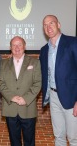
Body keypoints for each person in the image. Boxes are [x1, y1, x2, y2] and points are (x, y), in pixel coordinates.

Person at [39, 15, 77, 146]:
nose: (48, 27)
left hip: (72, 98)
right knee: (58, 136)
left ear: (58, 24)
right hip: (53, 97)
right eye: (45, 25)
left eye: (51, 23)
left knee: (73, 138)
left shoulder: (73, 42)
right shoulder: (44, 50)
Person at [0, 36, 41, 146]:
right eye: (14, 45)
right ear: (10, 47)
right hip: (10, 107)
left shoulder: (35, 62)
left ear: (24, 46)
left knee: (29, 141)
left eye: (20, 44)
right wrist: (11, 97)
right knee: (14, 141)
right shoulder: (3, 63)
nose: (17, 47)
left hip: (28, 107)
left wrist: (25, 98)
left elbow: (38, 83)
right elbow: (0, 82)